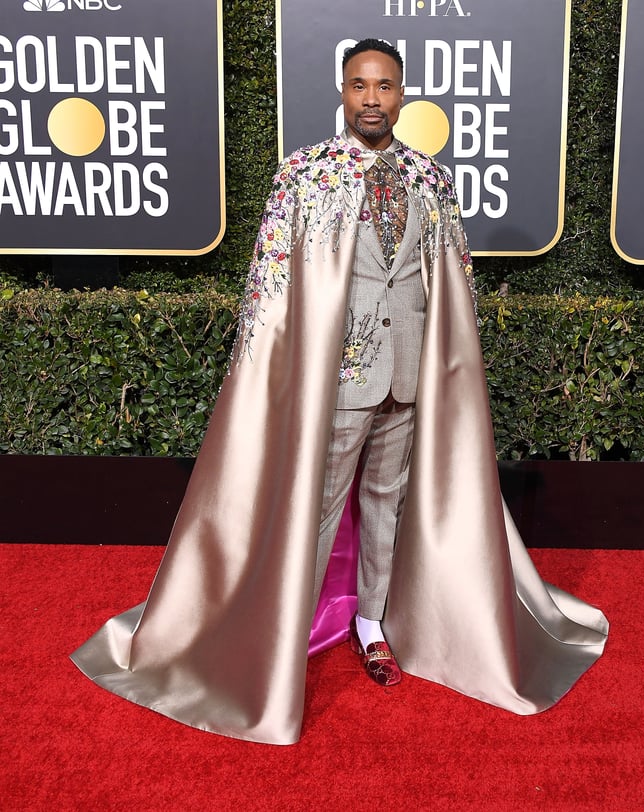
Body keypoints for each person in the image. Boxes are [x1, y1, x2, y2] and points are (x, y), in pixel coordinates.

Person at [71, 38, 608, 745]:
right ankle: (280, 638)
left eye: (385, 85)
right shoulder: (303, 175)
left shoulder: (431, 179)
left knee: (388, 507)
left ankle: (371, 625)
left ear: (404, 94)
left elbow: (452, 284)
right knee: (316, 510)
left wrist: (449, 367)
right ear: (343, 90)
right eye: (360, 85)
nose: (373, 98)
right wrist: (265, 373)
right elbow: (268, 285)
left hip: (411, 374)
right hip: (341, 377)